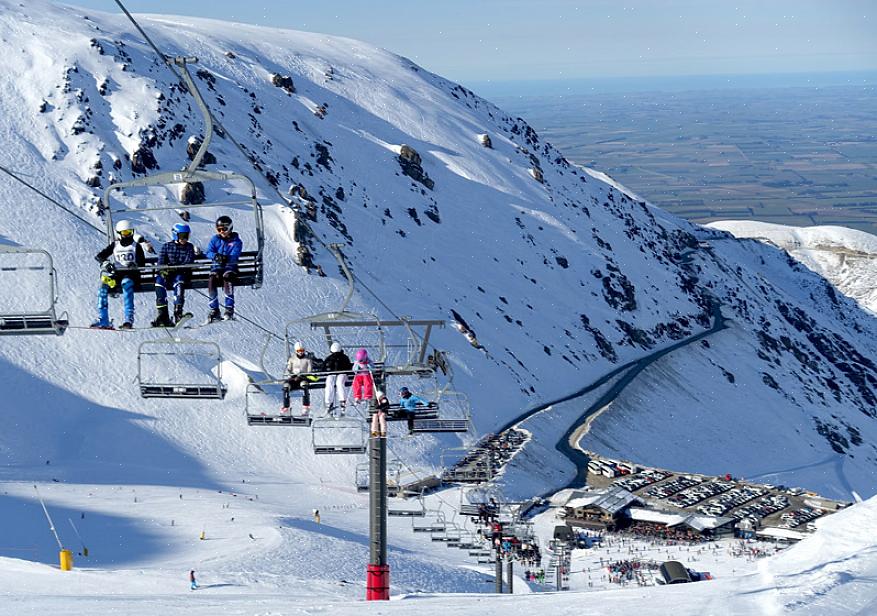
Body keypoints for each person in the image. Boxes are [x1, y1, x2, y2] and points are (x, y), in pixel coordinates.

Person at [91, 220, 146, 329]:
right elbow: (100, 256)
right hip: (117, 274)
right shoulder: (115, 245)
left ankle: (128, 318)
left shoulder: (136, 246)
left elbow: (142, 263)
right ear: (119, 233)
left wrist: (135, 265)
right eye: (125, 233)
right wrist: (106, 263)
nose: (127, 235)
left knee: (126, 284)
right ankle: (103, 319)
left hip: (131, 274)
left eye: (130, 232)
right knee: (102, 288)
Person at [151, 223, 196, 327]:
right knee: (159, 282)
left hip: (180, 273)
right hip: (167, 274)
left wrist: (176, 267)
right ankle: (163, 315)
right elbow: (160, 262)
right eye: (182, 236)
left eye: (186, 236)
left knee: (179, 282)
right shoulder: (167, 246)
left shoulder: (189, 247)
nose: (184, 239)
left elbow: (188, 261)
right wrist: (163, 270)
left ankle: (178, 312)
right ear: (176, 235)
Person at [205, 215, 242, 322]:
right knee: (212, 280)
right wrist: (216, 256)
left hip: (230, 267)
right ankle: (214, 309)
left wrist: (226, 259)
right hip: (217, 267)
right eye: (219, 229)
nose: (222, 232)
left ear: (230, 228)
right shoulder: (215, 239)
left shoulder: (236, 241)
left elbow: (235, 254)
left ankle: (229, 309)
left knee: (227, 277)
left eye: (224, 229)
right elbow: (209, 252)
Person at [282, 341, 314, 412]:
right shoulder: (292, 359)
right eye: (299, 351)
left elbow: (309, 371)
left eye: (302, 350)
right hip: (293, 378)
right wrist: (293, 375)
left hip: (303, 378)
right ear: (296, 351)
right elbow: (289, 370)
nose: (300, 352)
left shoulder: (308, 360)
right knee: (286, 386)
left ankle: (306, 406)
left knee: (304, 385)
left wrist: (302, 375)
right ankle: (286, 406)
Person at [322, 342, 353, 415]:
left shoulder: (344, 358)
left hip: (342, 374)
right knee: (329, 383)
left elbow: (348, 367)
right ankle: (328, 403)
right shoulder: (330, 358)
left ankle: (342, 401)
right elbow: (324, 368)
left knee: (339, 383)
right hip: (332, 374)